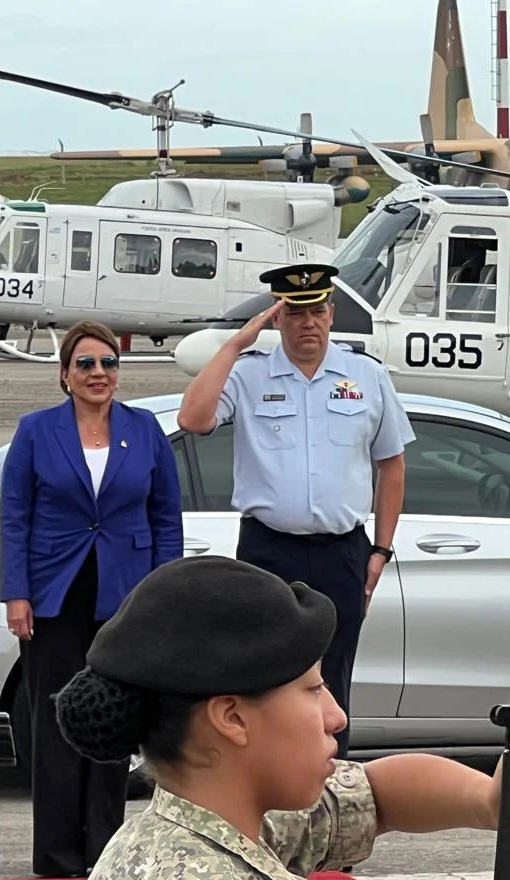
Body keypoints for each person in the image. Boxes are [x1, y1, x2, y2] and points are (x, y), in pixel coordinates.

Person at [53, 555, 510, 880]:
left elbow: (375, 794)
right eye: (313, 689)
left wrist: (493, 800)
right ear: (231, 718)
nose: (336, 716)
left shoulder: (192, 825)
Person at [176, 264, 415, 759]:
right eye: (296, 312)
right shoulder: (248, 374)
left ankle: (329, 794)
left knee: (333, 681)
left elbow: (391, 465)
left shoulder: (365, 376)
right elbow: (193, 419)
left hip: (342, 553)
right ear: (278, 319)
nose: (309, 322)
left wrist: (380, 551)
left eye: (317, 311)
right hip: (268, 551)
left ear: (331, 315)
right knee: (264, 676)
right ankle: (266, 793)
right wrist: (235, 344)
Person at [0, 320, 184, 878]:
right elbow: (15, 517)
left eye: (108, 363)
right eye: (86, 364)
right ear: (65, 374)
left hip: (123, 593)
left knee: (113, 721)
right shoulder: (36, 431)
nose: (99, 373)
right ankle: (56, 855)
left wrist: (163, 594)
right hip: (56, 592)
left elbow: (164, 517)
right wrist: (17, 594)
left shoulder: (144, 429)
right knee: (55, 720)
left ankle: (104, 850)